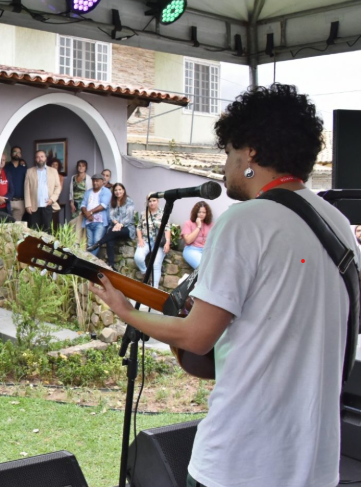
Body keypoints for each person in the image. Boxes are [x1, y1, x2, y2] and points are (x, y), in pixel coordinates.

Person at [91, 83, 360, 487]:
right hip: (316, 465)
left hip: (242, 463)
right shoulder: (337, 223)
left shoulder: (244, 221)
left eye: (229, 152)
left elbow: (197, 337)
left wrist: (126, 312)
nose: (225, 166)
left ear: (250, 151)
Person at [87, 183, 135, 269]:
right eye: (116, 190)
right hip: (115, 226)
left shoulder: (129, 201)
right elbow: (111, 215)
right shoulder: (112, 201)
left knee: (114, 231)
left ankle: (98, 243)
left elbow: (129, 217)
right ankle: (111, 265)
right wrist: (116, 223)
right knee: (110, 241)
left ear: (123, 190)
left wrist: (121, 224)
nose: (118, 192)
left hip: (127, 227)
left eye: (120, 189)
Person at [134, 196, 171, 288]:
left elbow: (167, 229)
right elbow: (139, 228)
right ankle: (145, 273)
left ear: (158, 201)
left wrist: (167, 242)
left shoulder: (163, 213)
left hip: (159, 243)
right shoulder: (144, 214)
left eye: (154, 200)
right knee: (138, 257)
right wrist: (140, 239)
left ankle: (154, 288)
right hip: (146, 241)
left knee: (156, 264)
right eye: (150, 201)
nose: (152, 203)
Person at [24, 150, 61, 234]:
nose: (39, 159)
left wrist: (52, 199)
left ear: (45, 158)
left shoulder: (53, 171)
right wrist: (27, 205)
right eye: (37, 157)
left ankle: (46, 247)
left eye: (41, 156)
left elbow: (57, 187)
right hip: (33, 207)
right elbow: (26, 189)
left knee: (47, 231)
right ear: (35, 159)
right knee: (33, 231)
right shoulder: (29, 171)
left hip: (47, 205)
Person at [80, 173, 111, 257]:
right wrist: (87, 214)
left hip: (100, 222)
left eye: (97, 181)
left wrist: (90, 213)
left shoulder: (106, 192)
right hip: (88, 221)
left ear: (102, 182)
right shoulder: (88, 192)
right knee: (90, 242)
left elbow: (103, 205)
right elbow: (82, 205)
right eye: (93, 181)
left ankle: (89, 261)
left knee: (96, 242)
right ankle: (90, 262)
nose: (95, 183)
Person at [181, 201, 214, 270]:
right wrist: (198, 226)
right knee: (203, 268)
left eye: (204, 212)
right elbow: (188, 241)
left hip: (206, 250)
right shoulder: (188, 223)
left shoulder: (210, 224)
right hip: (192, 250)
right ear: (195, 213)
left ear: (207, 213)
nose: (201, 214)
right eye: (199, 212)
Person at [69, 160, 92, 240]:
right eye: (79, 165)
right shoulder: (73, 177)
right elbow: (71, 192)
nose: (81, 167)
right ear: (77, 167)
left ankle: (81, 242)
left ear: (86, 168)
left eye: (83, 166)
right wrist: (71, 203)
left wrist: (86, 206)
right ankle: (73, 241)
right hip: (74, 204)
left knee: (81, 223)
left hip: (83, 204)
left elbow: (89, 194)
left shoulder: (88, 178)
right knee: (73, 223)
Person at [4, 146, 27, 221]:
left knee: (17, 226)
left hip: (20, 201)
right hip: (7, 201)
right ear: (11, 154)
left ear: (21, 155)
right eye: (15, 152)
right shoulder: (5, 168)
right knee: (6, 223)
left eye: (19, 152)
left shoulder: (24, 169)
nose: (17, 154)